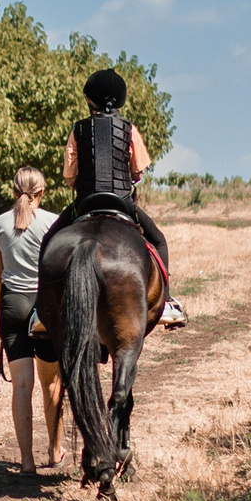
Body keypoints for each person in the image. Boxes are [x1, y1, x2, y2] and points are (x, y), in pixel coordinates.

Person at [62, 68, 188, 328]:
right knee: (159, 240)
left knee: (48, 243)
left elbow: (69, 175)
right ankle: (165, 302)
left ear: (88, 99)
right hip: (122, 203)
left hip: (84, 203)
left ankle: (40, 310)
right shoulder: (129, 130)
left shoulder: (78, 130)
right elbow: (137, 171)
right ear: (120, 100)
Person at [0, 167, 62, 473]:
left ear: (13, 191)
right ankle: (55, 450)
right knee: (51, 383)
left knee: (21, 385)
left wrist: (6, 308)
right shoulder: (54, 222)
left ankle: (26, 462)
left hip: (13, 306)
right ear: (42, 192)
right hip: (44, 310)